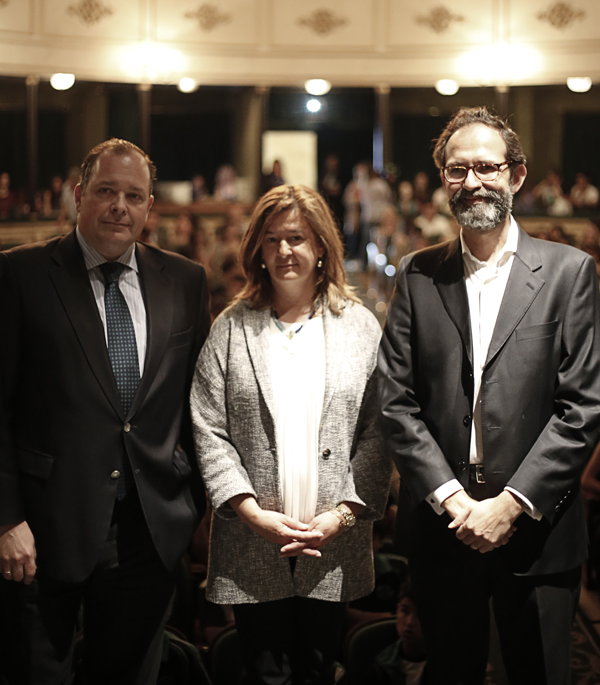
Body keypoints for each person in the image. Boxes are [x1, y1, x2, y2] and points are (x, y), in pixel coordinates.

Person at [378, 107, 600, 685]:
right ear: (443, 180)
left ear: (516, 175)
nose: (472, 181)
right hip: (444, 528)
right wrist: (454, 501)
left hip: (538, 527)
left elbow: (583, 406)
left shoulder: (570, 272)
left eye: (486, 167)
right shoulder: (417, 274)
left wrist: (511, 505)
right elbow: (395, 401)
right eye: (458, 170)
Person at [0, 138, 210, 685]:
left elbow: (200, 406)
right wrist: (6, 518)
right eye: (106, 191)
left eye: (134, 196)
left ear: (149, 206)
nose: (120, 206)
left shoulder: (185, 281)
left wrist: (193, 505)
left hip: (148, 533)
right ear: (79, 196)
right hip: (43, 530)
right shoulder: (20, 274)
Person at [190, 184, 391, 685]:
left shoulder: (360, 327)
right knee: (265, 674)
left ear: (321, 245)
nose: (284, 250)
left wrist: (343, 515)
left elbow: (379, 429)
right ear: (257, 248)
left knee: (320, 671)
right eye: (273, 239)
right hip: (252, 540)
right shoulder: (231, 328)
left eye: (297, 238)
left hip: (333, 541)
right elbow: (208, 426)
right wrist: (249, 511)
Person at [371, 578, 427, 685]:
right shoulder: (381, 665)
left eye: (420, 616)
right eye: (405, 611)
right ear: (397, 609)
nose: (409, 622)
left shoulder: (447, 665)